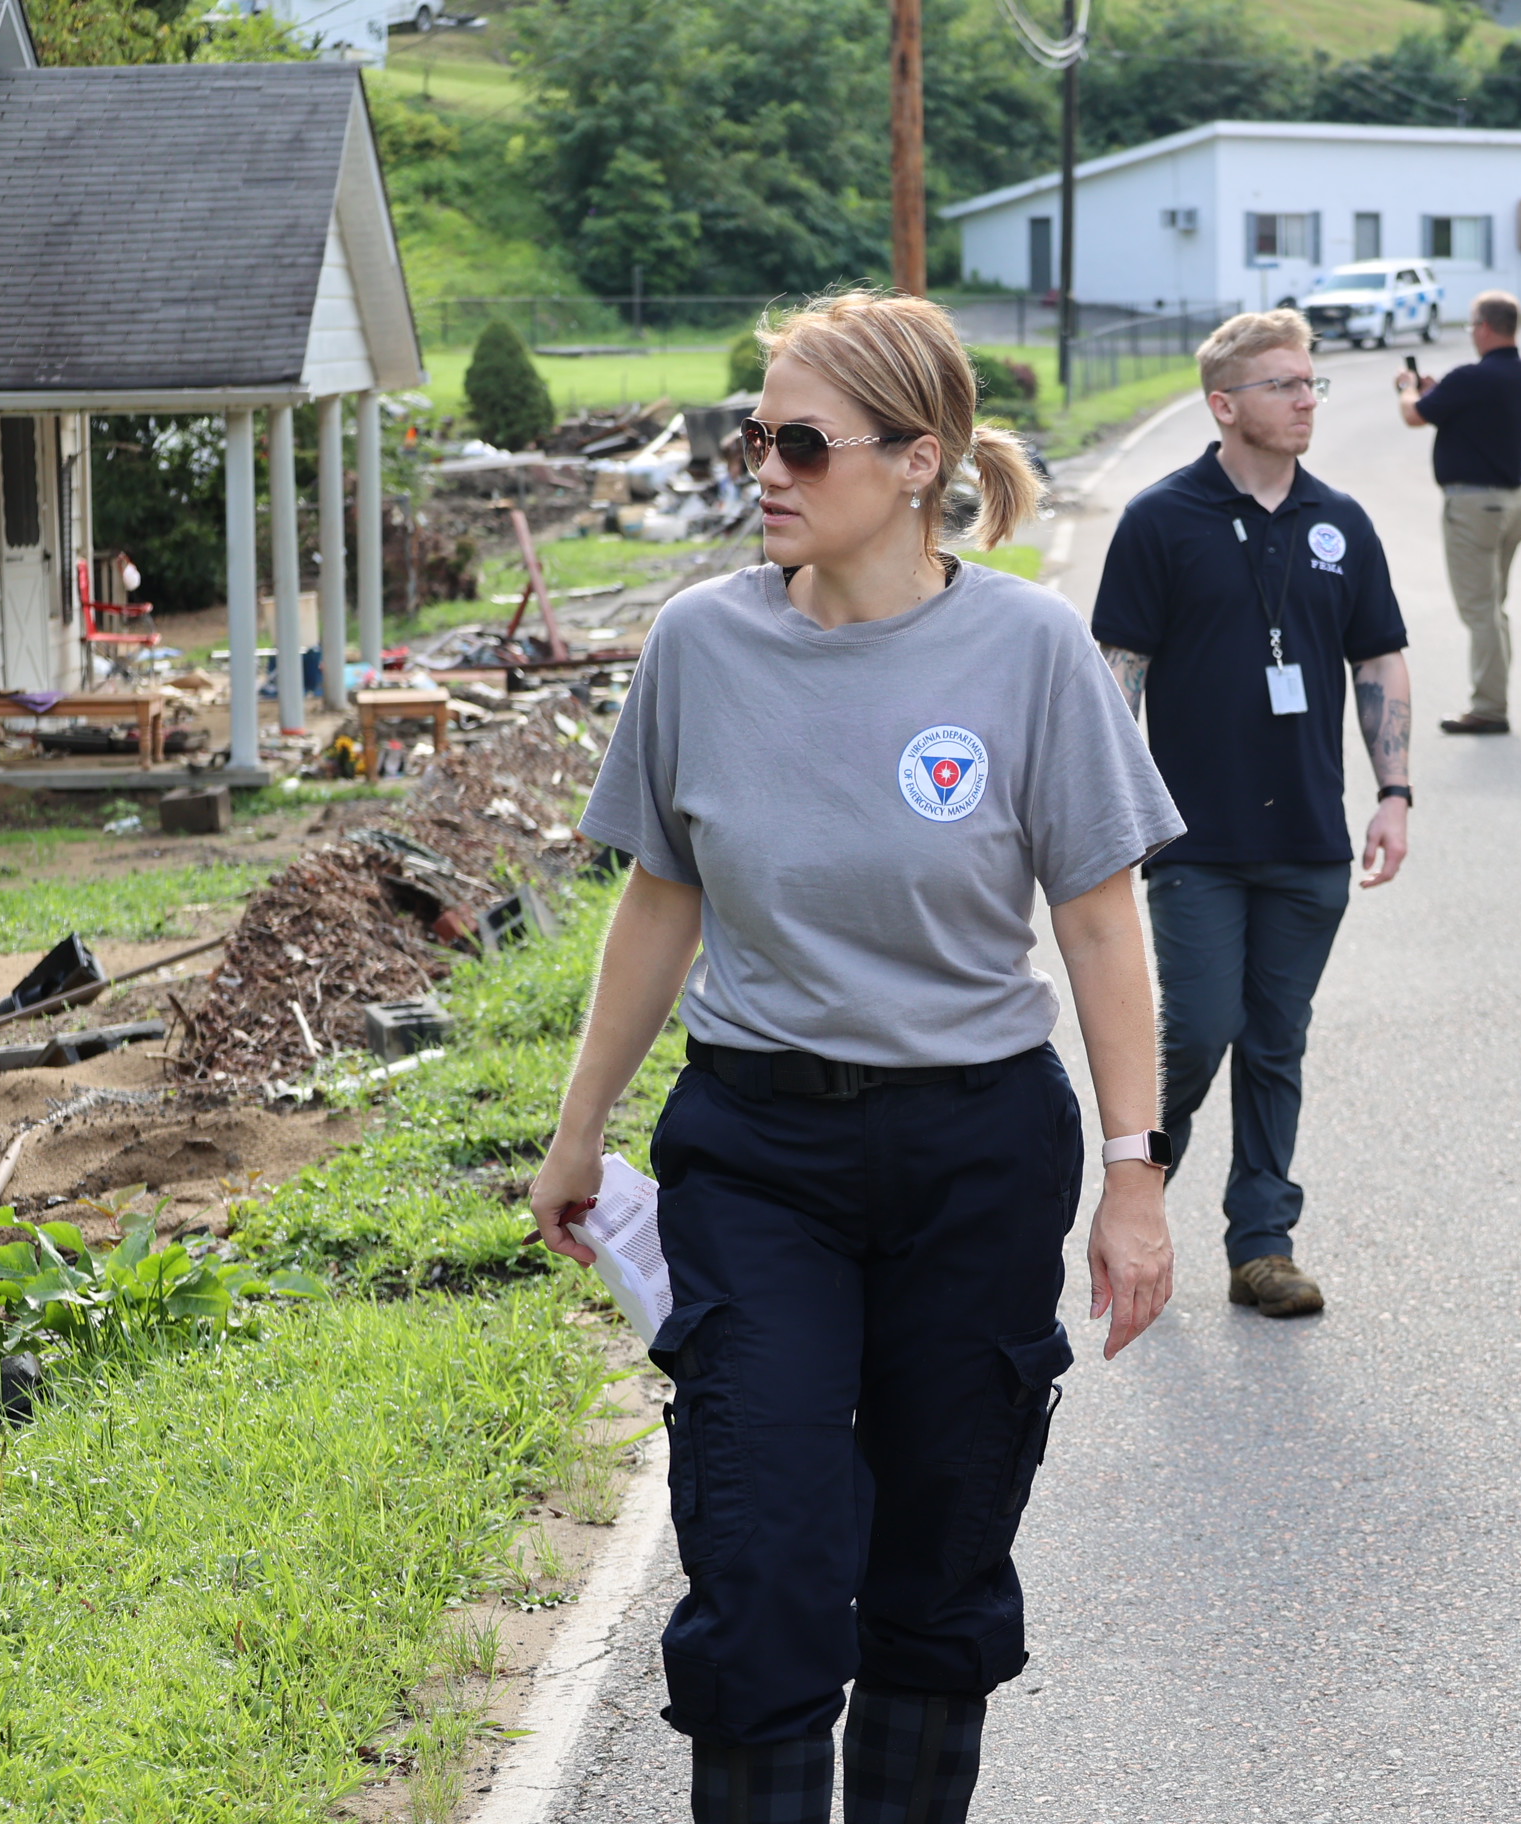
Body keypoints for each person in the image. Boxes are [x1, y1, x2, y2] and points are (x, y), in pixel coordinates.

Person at [530, 290, 1187, 1824]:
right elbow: (660, 900)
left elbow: (1099, 927)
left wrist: (1134, 1175)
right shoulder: (701, 644)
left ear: (918, 460)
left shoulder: (1028, 650)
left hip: (976, 1153)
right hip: (760, 1152)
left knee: (938, 1558)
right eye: (751, 434)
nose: (762, 467)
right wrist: (579, 1130)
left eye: (801, 443)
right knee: (760, 1555)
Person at [1093, 308, 1412, 1320]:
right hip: (1194, 840)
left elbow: (1379, 662)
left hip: (1310, 836)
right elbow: (1118, 674)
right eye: (1285, 385)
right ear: (1226, 405)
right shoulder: (1162, 519)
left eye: (1312, 383)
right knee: (1200, 1028)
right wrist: (1104, 810)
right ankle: (1135, 1189)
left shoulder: (1340, 524)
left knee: (1276, 1039)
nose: (1308, 399)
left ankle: (1261, 1246)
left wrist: (1395, 793)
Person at [1394, 289, 1521, 736]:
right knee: (1495, 607)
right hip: (1513, 504)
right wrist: (1441, 394)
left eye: (1472, 324)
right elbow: (1470, 415)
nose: (1471, 332)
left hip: (1474, 505)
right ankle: (1495, 695)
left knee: (1479, 610)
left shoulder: (1471, 378)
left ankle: (1490, 706)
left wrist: (1408, 389)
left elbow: (1415, 415)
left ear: (1486, 327)